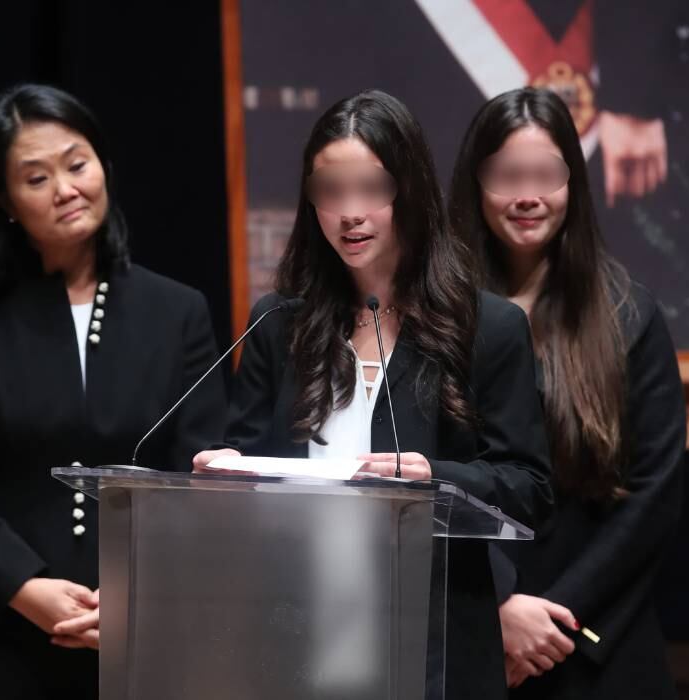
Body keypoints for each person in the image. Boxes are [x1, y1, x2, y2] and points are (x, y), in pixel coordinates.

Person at [188, 88, 554, 699]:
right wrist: (228, 474)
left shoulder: (485, 327)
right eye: (330, 191)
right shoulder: (279, 324)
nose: (350, 211)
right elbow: (250, 462)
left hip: (432, 633)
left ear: (409, 191)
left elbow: (530, 486)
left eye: (371, 188)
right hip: (298, 626)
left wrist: (434, 477)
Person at [0, 83, 226, 699]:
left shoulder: (178, 311)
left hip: (146, 620)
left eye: (77, 164)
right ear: (4, 198)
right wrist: (26, 589)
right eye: (35, 178)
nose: (65, 189)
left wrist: (137, 592)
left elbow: (201, 475)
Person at [448, 87, 686, 699]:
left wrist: (553, 616)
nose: (528, 195)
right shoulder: (434, 316)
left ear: (574, 184)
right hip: (466, 631)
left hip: (593, 634)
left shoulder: (628, 314)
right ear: (476, 183)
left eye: (547, 174)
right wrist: (498, 610)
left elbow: (652, 498)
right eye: (507, 175)